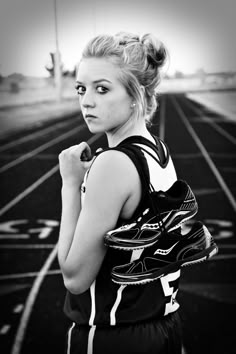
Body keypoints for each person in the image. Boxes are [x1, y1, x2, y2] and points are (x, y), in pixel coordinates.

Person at [58, 32, 217, 354]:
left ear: (137, 95)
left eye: (102, 89)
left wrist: (70, 185)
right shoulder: (158, 150)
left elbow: (75, 278)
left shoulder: (113, 163)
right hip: (163, 325)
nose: (86, 100)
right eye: (81, 89)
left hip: (113, 335)